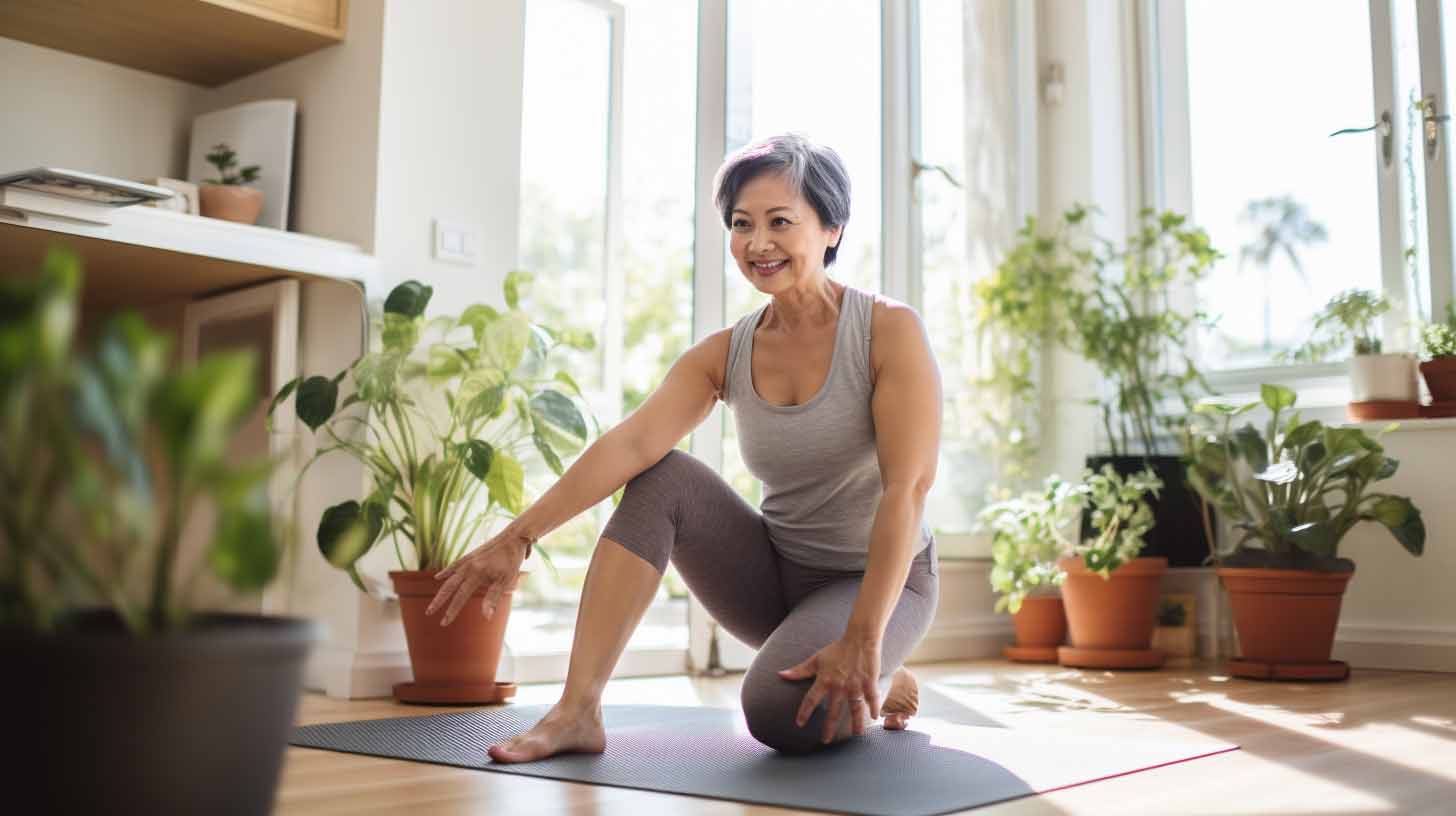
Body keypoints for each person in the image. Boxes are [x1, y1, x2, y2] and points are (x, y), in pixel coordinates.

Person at [426, 132, 943, 761]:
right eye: (741, 224)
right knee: (660, 475)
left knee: (778, 716)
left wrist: (864, 636)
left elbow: (907, 488)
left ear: (832, 228)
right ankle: (577, 710)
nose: (758, 243)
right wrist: (517, 536)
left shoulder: (888, 330)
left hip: (878, 583)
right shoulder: (726, 352)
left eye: (780, 221)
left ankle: (880, 667)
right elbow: (632, 442)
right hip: (777, 579)